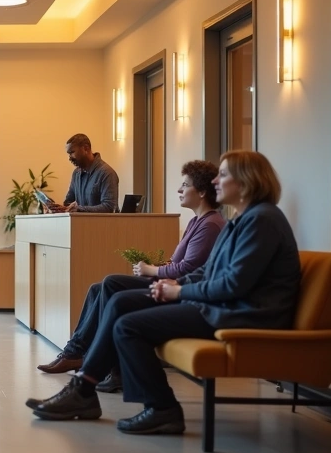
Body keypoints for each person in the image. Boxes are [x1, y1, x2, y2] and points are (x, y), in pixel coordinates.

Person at [26, 151, 301, 435]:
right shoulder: (242, 220)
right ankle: (84, 388)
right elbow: (209, 273)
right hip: (226, 307)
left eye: (225, 174)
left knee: (129, 326)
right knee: (120, 300)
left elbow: (233, 284)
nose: (216, 180)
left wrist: (179, 292)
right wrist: (174, 286)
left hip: (240, 315)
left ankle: (160, 408)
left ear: (246, 181)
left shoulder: (261, 221)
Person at [37, 160, 227, 393]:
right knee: (99, 288)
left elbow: (187, 269)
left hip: (178, 288)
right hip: (173, 282)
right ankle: (76, 352)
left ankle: (95, 363)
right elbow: (184, 264)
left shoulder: (210, 225)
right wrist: (161, 266)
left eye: (184, 185)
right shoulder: (197, 222)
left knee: (112, 283)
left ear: (201, 192)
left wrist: (152, 270)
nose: (179, 190)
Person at [47, 133, 119, 213]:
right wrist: (59, 209)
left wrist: (79, 209)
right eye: (69, 154)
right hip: (80, 224)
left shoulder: (106, 173)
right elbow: (68, 202)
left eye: (72, 152)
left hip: (102, 225)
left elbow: (110, 207)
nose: (70, 158)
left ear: (86, 148)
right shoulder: (76, 173)